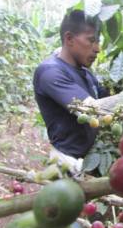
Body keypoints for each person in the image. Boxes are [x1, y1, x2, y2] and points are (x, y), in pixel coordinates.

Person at [33, 10, 108, 173]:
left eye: (98, 41)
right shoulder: (50, 72)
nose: (97, 49)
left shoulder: (86, 73)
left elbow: (107, 99)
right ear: (69, 39)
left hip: (90, 161)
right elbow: (92, 111)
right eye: (91, 41)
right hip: (67, 164)